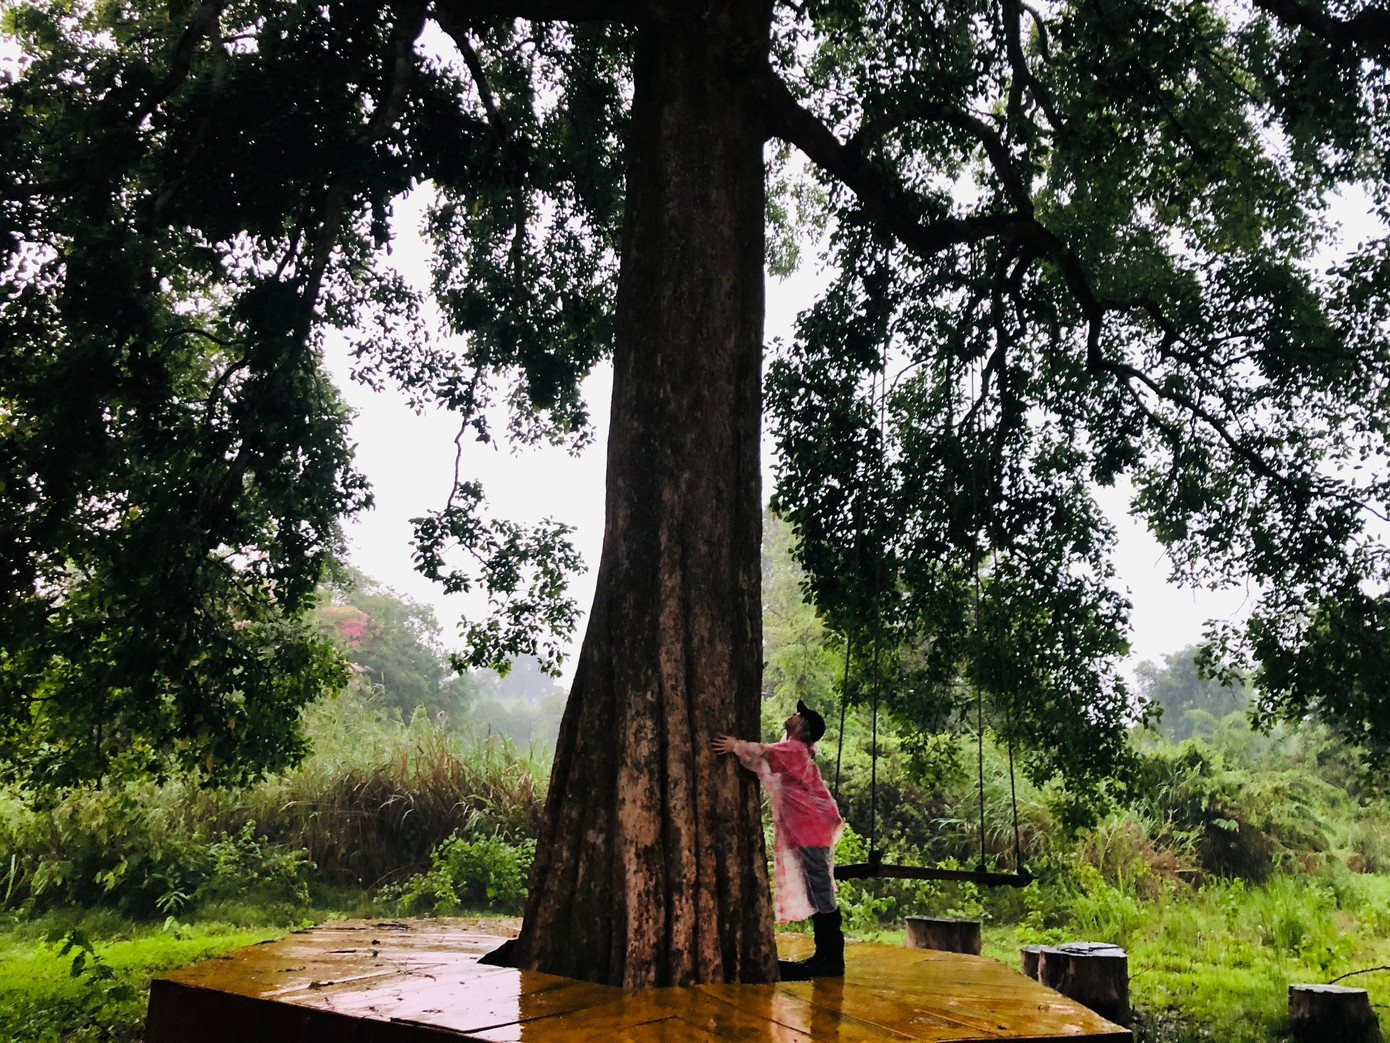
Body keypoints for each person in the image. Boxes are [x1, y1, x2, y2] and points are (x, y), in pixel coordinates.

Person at [713, 700, 845, 979]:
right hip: (809, 831)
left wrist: (735, 745)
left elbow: (764, 752)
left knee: (820, 891)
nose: (793, 716)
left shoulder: (795, 750)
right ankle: (824, 956)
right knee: (816, 890)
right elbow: (766, 758)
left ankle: (831, 960)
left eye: (798, 715)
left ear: (803, 727)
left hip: (811, 831)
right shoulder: (796, 751)